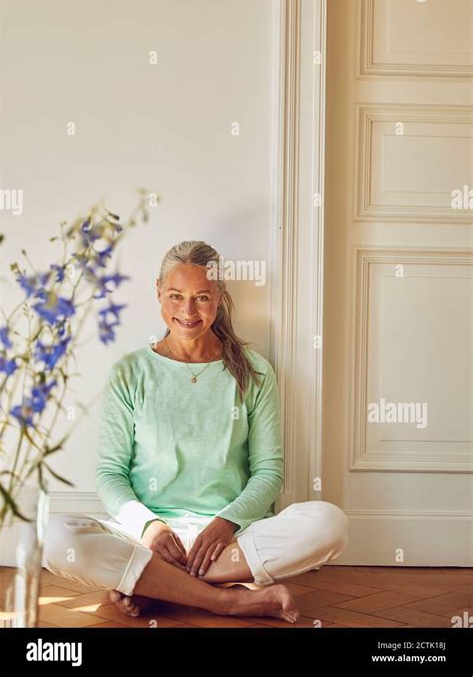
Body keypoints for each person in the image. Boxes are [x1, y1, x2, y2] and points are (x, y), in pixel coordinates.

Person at [42, 240, 349, 623]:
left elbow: (269, 471)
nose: (187, 311)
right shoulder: (130, 372)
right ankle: (226, 600)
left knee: (330, 523)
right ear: (158, 292)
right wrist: (150, 528)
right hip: (148, 539)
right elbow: (110, 473)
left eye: (201, 297)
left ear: (220, 296)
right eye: (175, 296)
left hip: (229, 541)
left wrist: (225, 524)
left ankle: (155, 585)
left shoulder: (253, 371)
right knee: (55, 537)